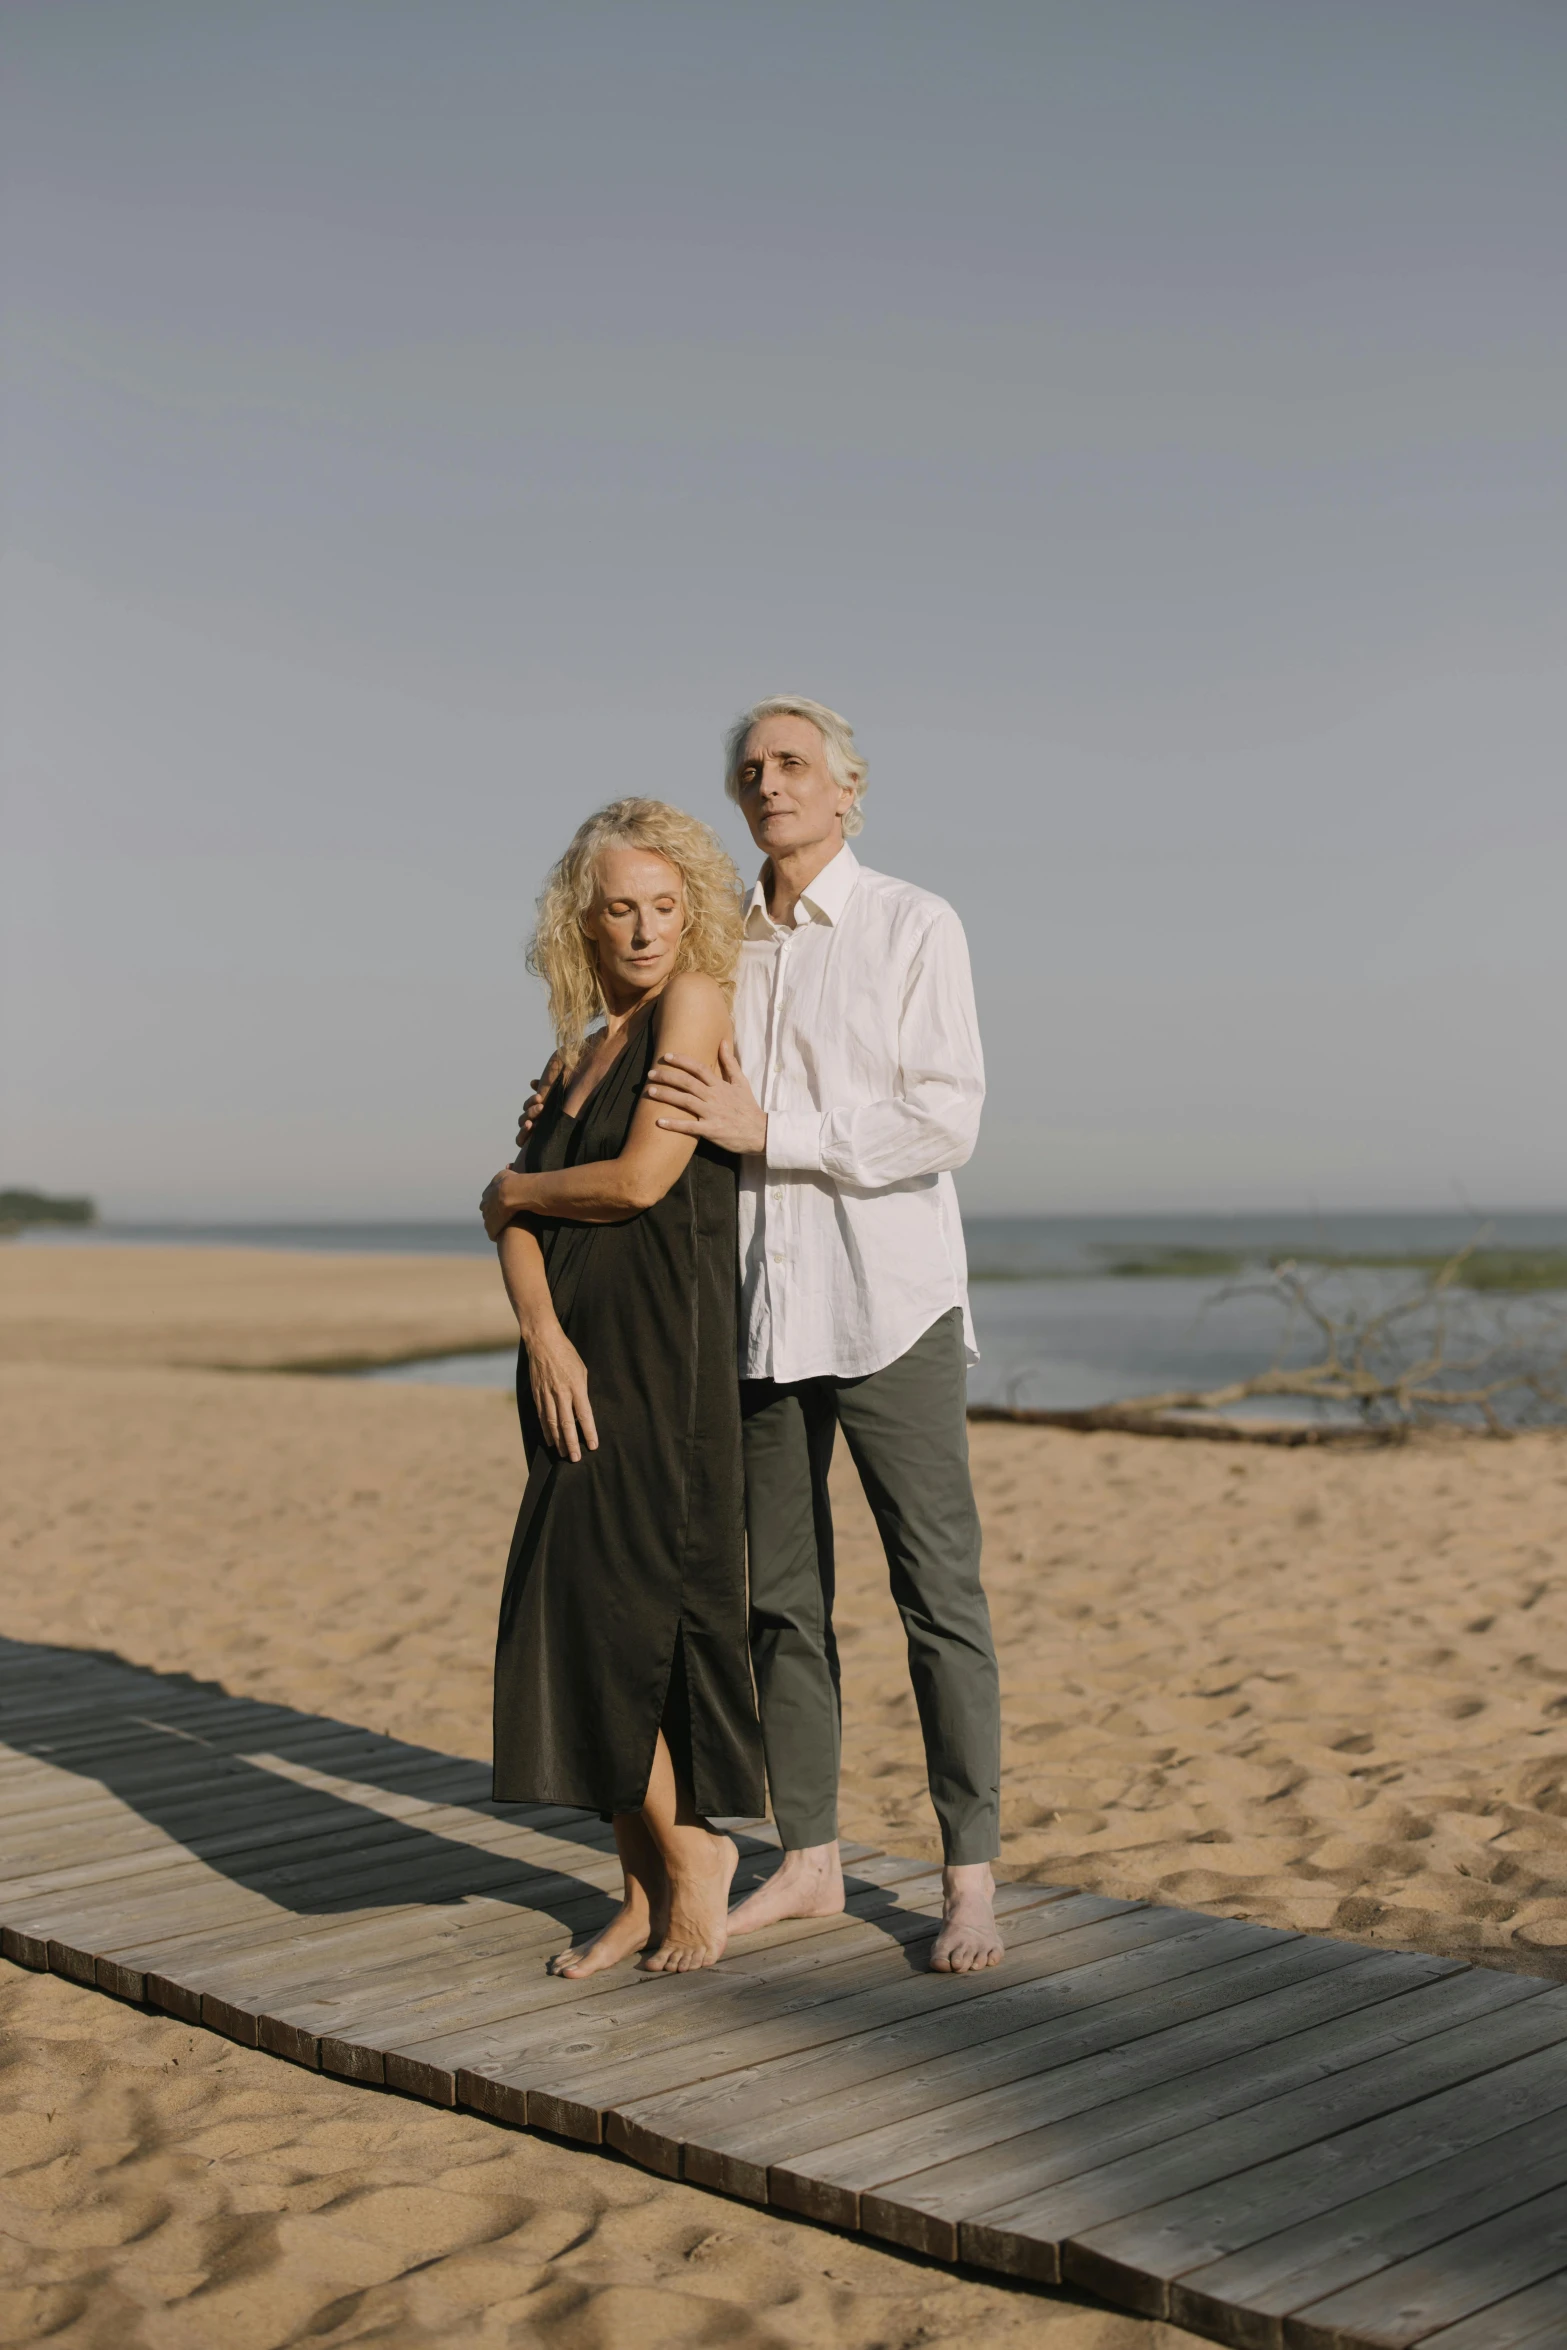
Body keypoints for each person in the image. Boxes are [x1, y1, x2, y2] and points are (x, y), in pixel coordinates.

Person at [519, 699, 1005, 1973]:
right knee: (780, 1603)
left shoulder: (913, 922)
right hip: (761, 1316)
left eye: (793, 765)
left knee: (936, 1596)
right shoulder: (725, 945)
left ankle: (970, 1878)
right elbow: (642, 1072)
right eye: (751, 770)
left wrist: (771, 1130)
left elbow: (944, 1120)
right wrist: (566, 1097)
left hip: (890, 1302)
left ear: (847, 789)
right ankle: (811, 1859)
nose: (769, 783)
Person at [479, 797, 765, 1978]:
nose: (645, 930)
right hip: (570, 1367)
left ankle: (696, 1860)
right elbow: (512, 1231)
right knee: (567, 1613)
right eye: (620, 910)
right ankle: (640, 1890)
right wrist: (542, 1335)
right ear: (582, 924)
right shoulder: (575, 1050)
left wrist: (513, 1192)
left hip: (657, 1357)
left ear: (687, 910)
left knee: (627, 1614)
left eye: (662, 906)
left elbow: (644, 1180)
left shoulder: (694, 1003)